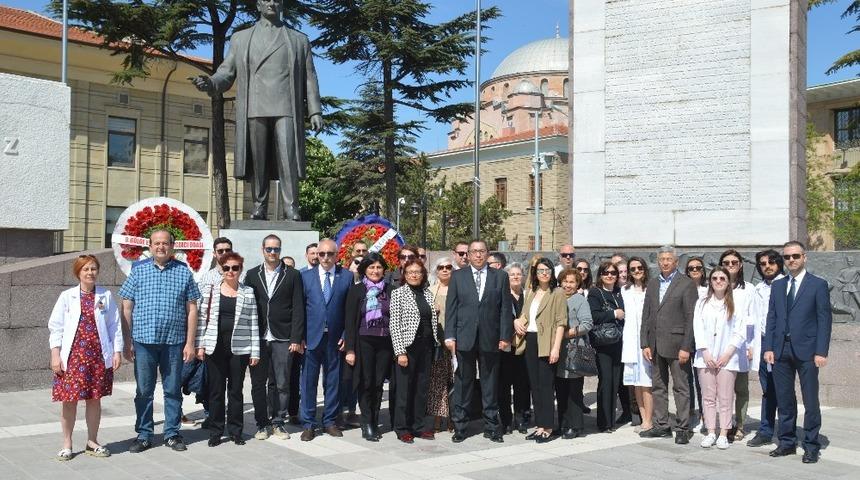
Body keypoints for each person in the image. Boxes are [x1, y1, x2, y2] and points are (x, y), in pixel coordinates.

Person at [191, 0, 322, 221]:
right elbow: (227, 71)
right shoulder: (241, 39)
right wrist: (211, 83)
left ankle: (291, 207)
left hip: (286, 106)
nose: (271, 3)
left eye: (276, 0)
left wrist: (315, 111)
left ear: (282, 5)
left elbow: (310, 78)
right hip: (255, 105)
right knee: (258, 160)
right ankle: (259, 206)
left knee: (288, 157)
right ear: (258, 5)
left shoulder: (299, 40)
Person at [119, 229, 200, 453]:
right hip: (144, 342)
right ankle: (144, 434)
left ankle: (172, 433)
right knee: (144, 390)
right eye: (156, 243)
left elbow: (192, 309)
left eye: (165, 243)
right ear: (150, 247)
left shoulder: (184, 273)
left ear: (172, 247)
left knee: (172, 390)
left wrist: (190, 343)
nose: (161, 247)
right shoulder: (138, 272)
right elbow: (126, 306)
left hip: (174, 342)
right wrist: (127, 341)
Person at [763, 241, 832, 464]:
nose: (791, 260)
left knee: (810, 401)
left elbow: (824, 320)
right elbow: (772, 318)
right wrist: (769, 348)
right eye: (787, 257)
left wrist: (821, 351)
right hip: (781, 351)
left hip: (808, 352)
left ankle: (811, 445)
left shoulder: (818, 285)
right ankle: (787, 442)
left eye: (795, 256)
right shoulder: (778, 285)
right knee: (785, 400)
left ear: (804, 257)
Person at [49, 255, 123, 461]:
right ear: (78, 273)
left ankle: (92, 441)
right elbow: (56, 327)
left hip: (97, 357)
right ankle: (67, 444)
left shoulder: (105, 295)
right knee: (69, 400)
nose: (90, 273)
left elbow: (114, 326)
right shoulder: (67, 296)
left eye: (93, 269)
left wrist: (117, 351)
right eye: (86, 269)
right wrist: (55, 354)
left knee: (94, 399)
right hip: (72, 357)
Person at [445, 239, 513, 443]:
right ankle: (461, 426)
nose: (477, 255)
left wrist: (504, 336)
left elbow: (504, 309)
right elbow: (452, 309)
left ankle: (492, 426)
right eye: (473, 252)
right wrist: (450, 336)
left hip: (490, 339)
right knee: (463, 383)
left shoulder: (500, 277)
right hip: (464, 338)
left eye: (481, 251)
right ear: (468, 254)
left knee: (490, 383)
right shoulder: (458, 276)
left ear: (487, 253)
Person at [195, 252, 261, 447]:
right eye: (226, 268)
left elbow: (253, 322)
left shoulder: (248, 291)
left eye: (235, 268)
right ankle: (216, 431)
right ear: (221, 269)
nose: (231, 271)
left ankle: (235, 431)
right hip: (214, 348)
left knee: (236, 391)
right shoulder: (211, 289)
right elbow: (201, 320)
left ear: (240, 269)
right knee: (215, 391)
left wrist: (255, 351)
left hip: (239, 349)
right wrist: (200, 345)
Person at [244, 234, 305, 440]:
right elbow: (246, 307)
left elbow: (298, 308)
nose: (272, 253)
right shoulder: (252, 275)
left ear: (280, 250)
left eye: (276, 249)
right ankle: (262, 423)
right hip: (258, 337)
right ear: (262, 250)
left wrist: (296, 338)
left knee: (281, 382)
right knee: (258, 384)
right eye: (269, 249)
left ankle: (278, 422)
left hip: (283, 337)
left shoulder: (293, 275)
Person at [639, 245, 698, 444]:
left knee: (681, 387)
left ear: (676, 262)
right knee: (658, 387)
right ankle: (661, 425)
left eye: (668, 259)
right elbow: (646, 314)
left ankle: (682, 427)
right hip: (655, 345)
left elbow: (691, 318)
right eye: (662, 259)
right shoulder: (654, 283)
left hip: (677, 345)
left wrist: (686, 346)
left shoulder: (686, 284)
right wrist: (644, 342)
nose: (665, 262)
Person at [299, 238, 353, 441]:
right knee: (308, 382)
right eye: (321, 254)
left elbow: (350, 310)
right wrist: (300, 336)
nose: (325, 258)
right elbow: (299, 310)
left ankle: (329, 421)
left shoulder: (346, 277)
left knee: (333, 381)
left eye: (330, 254)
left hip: (335, 339)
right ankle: (309, 424)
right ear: (316, 255)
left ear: (337, 255)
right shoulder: (305, 277)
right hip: (311, 338)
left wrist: (347, 335)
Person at [513, 258, 566, 443]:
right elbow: (525, 315)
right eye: (541, 270)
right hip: (531, 340)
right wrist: (516, 321)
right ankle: (540, 425)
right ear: (535, 273)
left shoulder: (557, 293)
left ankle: (548, 427)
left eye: (548, 270)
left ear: (552, 273)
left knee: (545, 386)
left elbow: (561, 323)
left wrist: (556, 348)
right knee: (534, 385)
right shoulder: (532, 292)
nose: (544, 273)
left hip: (547, 342)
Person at [343, 253, 394, 442]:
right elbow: (349, 321)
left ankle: (374, 419)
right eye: (371, 267)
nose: (375, 271)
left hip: (384, 342)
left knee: (378, 383)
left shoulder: (390, 289)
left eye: (379, 267)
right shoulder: (357, 290)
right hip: (363, 341)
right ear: (365, 269)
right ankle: (366, 423)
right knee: (365, 382)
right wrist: (350, 349)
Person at [694, 267, 745, 450]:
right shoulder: (701, 303)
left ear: (728, 281)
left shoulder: (735, 303)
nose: (718, 281)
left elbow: (740, 332)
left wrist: (727, 354)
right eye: (714, 278)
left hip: (727, 359)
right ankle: (710, 432)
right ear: (710, 281)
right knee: (708, 397)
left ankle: (724, 433)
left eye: (722, 277)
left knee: (725, 397)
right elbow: (697, 328)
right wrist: (705, 352)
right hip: (705, 358)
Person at [390, 259, 440, 443]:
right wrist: (400, 352)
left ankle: (418, 426)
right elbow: (394, 325)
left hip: (426, 347)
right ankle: (402, 428)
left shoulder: (427, 293)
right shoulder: (398, 294)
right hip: (407, 348)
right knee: (404, 390)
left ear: (423, 274)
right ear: (404, 274)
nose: (414, 275)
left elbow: (431, 319)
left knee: (421, 388)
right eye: (410, 272)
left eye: (417, 272)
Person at [746, 249, 785, 448]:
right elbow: (752, 319)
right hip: (762, 345)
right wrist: (750, 345)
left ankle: (787, 433)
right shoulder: (758, 289)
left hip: (783, 346)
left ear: (779, 264)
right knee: (768, 390)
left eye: (771, 262)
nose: (767, 266)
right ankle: (766, 430)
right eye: (762, 263)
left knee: (784, 391)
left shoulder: (787, 285)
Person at [718, 249, 755, 441]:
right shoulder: (716, 285)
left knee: (740, 388)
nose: (730, 265)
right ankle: (724, 423)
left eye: (734, 262)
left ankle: (739, 424)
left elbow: (751, 320)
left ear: (740, 265)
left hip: (739, 346)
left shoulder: (748, 289)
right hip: (718, 347)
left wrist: (750, 345)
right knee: (721, 389)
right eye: (726, 262)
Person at [555, 268, 593, 439]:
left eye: (572, 282)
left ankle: (576, 425)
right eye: (565, 281)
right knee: (560, 389)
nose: (568, 285)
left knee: (574, 391)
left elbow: (587, 324)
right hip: (557, 351)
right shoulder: (556, 297)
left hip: (573, 349)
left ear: (577, 284)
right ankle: (562, 423)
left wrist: (566, 333)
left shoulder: (580, 300)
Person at [588, 261, 625, 433]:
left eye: (613, 273)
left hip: (618, 343)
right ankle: (604, 422)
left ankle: (611, 420)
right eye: (605, 272)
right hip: (603, 344)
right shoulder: (595, 292)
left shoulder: (619, 293)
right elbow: (593, 316)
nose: (609, 275)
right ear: (600, 275)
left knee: (615, 381)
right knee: (606, 380)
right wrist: (613, 314)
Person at [621, 257, 653, 433]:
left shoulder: (652, 288)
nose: (636, 271)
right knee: (636, 383)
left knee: (647, 382)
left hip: (646, 342)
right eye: (632, 269)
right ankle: (643, 419)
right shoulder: (625, 290)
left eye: (639, 267)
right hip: (630, 342)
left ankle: (649, 419)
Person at [499, 262, 531, 435]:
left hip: (525, 347)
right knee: (504, 385)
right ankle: (505, 420)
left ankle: (522, 419)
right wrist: (513, 321)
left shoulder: (527, 296)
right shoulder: (502, 296)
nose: (516, 277)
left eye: (519, 274)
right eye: (512, 274)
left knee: (523, 386)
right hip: (506, 347)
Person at [428, 257, 455, 433]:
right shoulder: (430, 291)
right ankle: (437, 420)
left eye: (448, 267)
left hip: (455, 343)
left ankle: (453, 419)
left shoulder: (459, 289)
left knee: (455, 382)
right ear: (436, 271)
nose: (445, 270)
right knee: (438, 383)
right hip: (437, 343)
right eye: (441, 267)